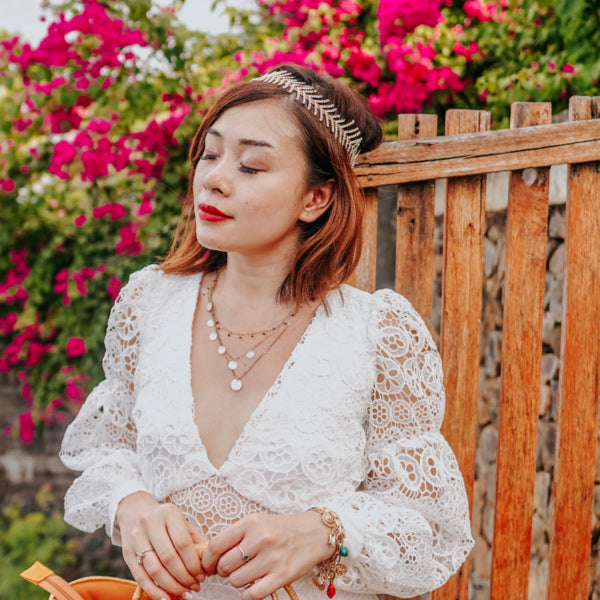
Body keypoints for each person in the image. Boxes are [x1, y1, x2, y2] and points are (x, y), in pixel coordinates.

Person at [60, 64, 474, 600]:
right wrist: (131, 504)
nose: (214, 177)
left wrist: (325, 531)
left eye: (251, 166)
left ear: (315, 199)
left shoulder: (377, 334)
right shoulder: (149, 303)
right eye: (210, 154)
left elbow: (431, 527)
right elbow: (106, 449)